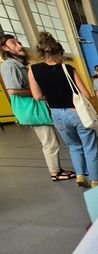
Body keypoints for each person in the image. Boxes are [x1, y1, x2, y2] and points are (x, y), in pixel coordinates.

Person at [28, 32, 98, 188]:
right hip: (76, 112)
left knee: (74, 146)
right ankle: (95, 179)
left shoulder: (33, 70)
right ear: (59, 52)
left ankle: (80, 176)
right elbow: (86, 94)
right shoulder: (68, 68)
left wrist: (52, 95)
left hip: (57, 114)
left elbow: (37, 96)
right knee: (89, 146)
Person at [0, 33, 75, 182]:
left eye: (19, 42)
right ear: (4, 48)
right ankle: (55, 172)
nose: (19, 46)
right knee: (50, 142)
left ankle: (57, 170)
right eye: (14, 43)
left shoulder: (20, 64)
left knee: (51, 141)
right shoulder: (9, 65)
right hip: (31, 109)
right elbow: (13, 90)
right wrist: (38, 92)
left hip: (37, 107)